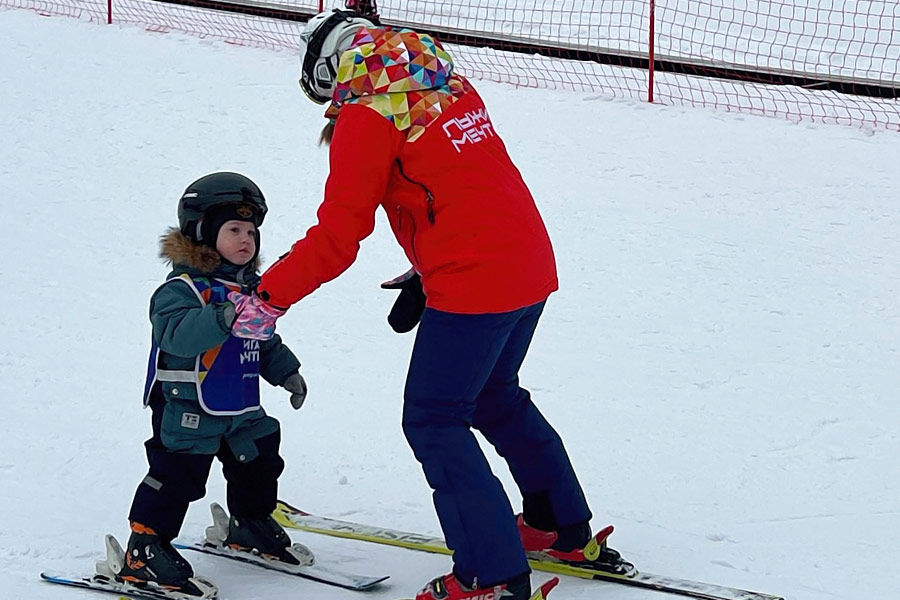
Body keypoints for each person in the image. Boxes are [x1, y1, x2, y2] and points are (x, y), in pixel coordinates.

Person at [229, 6, 630, 600]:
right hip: (528, 263)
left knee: (434, 417)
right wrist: (426, 264)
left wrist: (264, 299)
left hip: (478, 283)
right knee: (495, 395)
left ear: (332, 68)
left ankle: (490, 575)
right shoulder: (446, 83)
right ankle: (559, 527)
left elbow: (339, 238)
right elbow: (464, 186)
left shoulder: (368, 115)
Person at [115, 172, 310, 598]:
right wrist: (223, 317)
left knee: (259, 456)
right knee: (177, 474)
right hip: (187, 405)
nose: (246, 240)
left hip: (238, 404)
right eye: (234, 230)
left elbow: (262, 339)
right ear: (203, 233)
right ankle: (145, 547)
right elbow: (176, 335)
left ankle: (250, 522)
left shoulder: (246, 291)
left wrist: (285, 371)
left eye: (252, 231)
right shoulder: (180, 291)